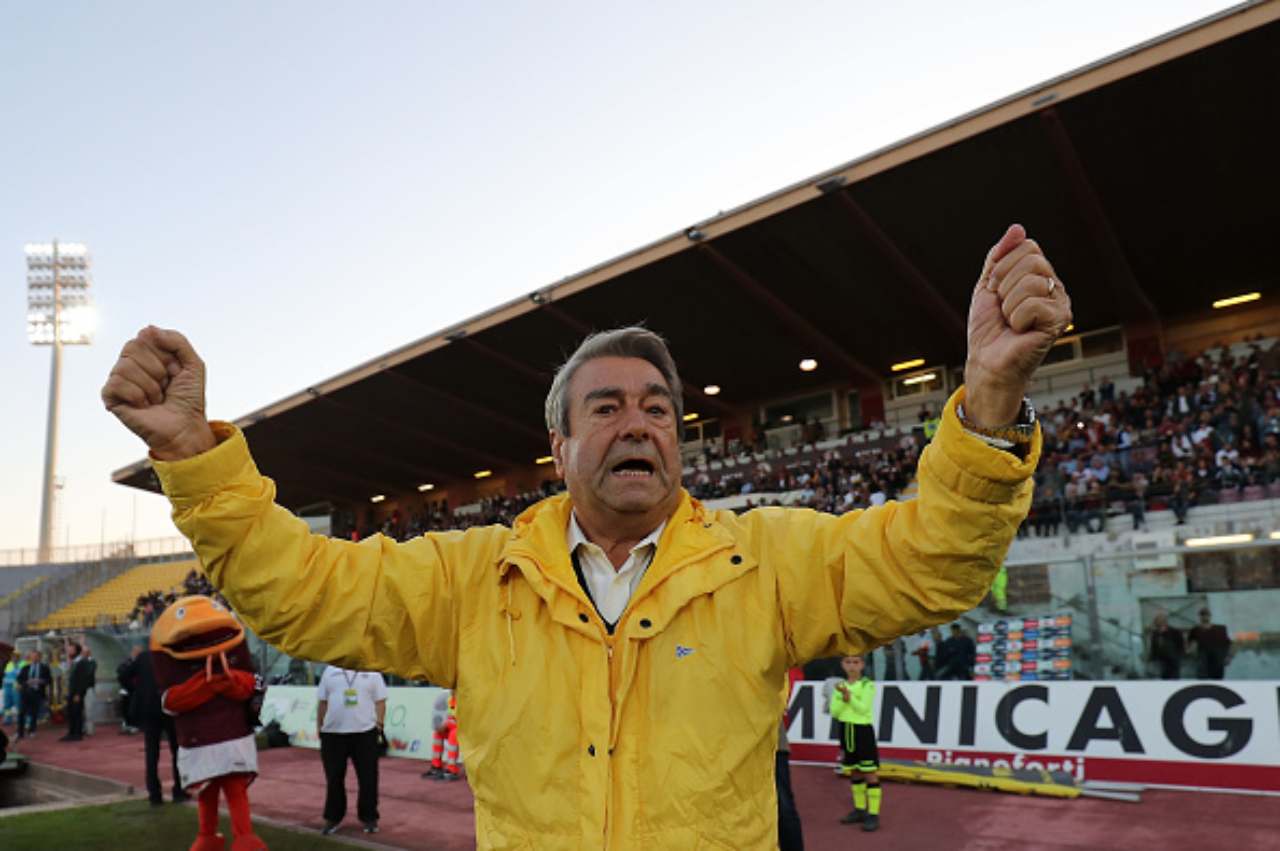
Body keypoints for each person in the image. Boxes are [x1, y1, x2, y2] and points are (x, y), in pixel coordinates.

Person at [101, 224, 1070, 849]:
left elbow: (933, 562)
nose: (638, 421)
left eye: (657, 406)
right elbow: (297, 588)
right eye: (605, 406)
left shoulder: (768, 558)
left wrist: (988, 401)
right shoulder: (471, 576)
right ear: (557, 445)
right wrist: (194, 453)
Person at [316, 666, 387, 835]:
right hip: (333, 734)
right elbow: (323, 703)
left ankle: (369, 817)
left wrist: (380, 725)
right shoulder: (329, 671)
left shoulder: (372, 671)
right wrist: (320, 727)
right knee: (334, 779)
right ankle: (333, 818)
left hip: (365, 733)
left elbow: (381, 701)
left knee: (368, 777)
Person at [121, 646, 188, 804]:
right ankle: (179, 790)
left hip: (149, 708)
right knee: (177, 751)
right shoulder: (173, 656)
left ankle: (155, 795)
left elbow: (123, 675)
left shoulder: (144, 657)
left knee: (152, 752)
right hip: (169, 706)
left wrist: (137, 690)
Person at [830, 655, 880, 832]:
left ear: (862, 665)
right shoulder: (839, 686)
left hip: (862, 731)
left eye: (856, 662)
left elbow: (863, 708)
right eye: (848, 662)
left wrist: (847, 697)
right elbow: (834, 711)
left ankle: (873, 814)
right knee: (854, 772)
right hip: (845, 730)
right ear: (842, 664)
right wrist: (845, 697)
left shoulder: (868, 685)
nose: (852, 666)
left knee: (869, 772)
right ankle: (860, 810)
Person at [423, 691, 461, 781]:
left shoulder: (466, 698)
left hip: (466, 729)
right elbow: (450, 715)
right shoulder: (450, 699)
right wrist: (443, 725)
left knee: (454, 734)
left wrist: (448, 723)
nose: (451, 691)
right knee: (438, 734)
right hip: (454, 724)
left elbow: (464, 719)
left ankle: (452, 770)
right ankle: (436, 766)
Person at [1187, 608, 1233, 679]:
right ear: (1199, 616)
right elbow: (1190, 646)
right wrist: (1192, 652)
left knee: (1217, 682)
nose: (1205, 617)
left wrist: (1229, 657)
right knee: (1203, 682)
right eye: (1202, 615)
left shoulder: (1220, 629)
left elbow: (1229, 644)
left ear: (1210, 616)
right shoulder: (1195, 630)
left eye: (1206, 614)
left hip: (1217, 662)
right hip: (1203, 663)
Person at [62, 641, 93, 741]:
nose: (69, 651)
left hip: (77, 693)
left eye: (71, 649)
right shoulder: (74, 662)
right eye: (68, 649)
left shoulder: (82, 662)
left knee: (77, 712)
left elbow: (82, 680)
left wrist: (78, 693)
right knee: (71, 712)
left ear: (76, 651)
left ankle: (77, 734)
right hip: (71, 692)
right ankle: (71, 732)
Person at [16, 650, 52, 739]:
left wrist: (41, 681)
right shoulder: (25, 667)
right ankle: (20, 733)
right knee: (21, 712)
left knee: (34, 713)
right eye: (32, 656)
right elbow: (19, 679)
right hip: (25, 692)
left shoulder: (44, 668)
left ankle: (32, 730)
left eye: (36, 656)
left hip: (37, 693)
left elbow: (49, 680)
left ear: (40, 657)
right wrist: (27, 682)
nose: (34, 658)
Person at [1147, 612, 1185, 680]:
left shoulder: (1174, 632)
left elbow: (1181, 644)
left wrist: (1179, 656)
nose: (1156, 622)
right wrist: (1151, 658)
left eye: (1158, 620)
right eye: (1156, 620)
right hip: (1161, 661)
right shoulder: (1155, 634)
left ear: (1164, 621)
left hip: (1173, 661)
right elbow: (1153, 647)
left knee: (1174, 679)